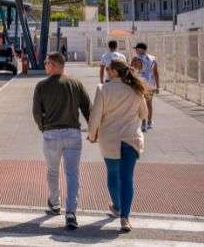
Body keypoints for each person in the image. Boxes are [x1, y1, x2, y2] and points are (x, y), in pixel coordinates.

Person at [88, 58, 149, 233]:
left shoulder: (103, 89)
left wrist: (92, 135)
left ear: (114, 71)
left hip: (110, 139)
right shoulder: (136, 89)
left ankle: (116, 205)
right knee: (127, 178)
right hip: (131, 138)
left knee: (113, 174)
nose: (106, 71)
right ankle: (125, 217)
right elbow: (144, 113)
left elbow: (95, 116)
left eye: (108, 69)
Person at [32, 52, 91, 230]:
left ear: (55, 65)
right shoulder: (76, 83)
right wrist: (94, 130)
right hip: (73, 134)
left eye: (47, 63)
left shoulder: (42, 86)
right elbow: (88, 108)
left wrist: (43, 127)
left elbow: (36, 112)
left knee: (52, 171)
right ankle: (71, 212)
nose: (45, 66)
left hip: (51, 135)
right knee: (72, 174)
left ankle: (55, 203)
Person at [134, 42, 160, 130]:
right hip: (150, 84)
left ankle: (143, 123)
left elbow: (132, 72)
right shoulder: (153, 58)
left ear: (141, 49)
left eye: (137, 49)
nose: (136, 50)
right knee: (149, 104)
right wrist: (157, 86)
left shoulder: (136, 59)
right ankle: (149, 122)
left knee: (141, 103)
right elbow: (156, 73)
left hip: (140, 84)